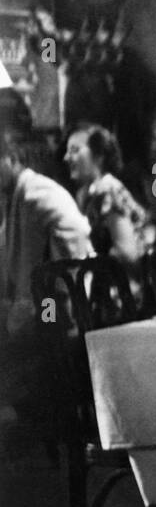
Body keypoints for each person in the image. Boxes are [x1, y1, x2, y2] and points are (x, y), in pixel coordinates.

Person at [0, 122, 92, 415]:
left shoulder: (31, 196)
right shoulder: (20, 194)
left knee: (14, 340)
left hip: (61, 308)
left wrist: (12, 316)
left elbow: (27, 278)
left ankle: (39, 431)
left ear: (11, 160)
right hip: (57, 301)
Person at [64, 124, 149, 271]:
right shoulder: (86, 193)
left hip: (126, 286)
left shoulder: (108, 190)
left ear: (98, 157)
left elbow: (128, 254)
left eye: (75, 150)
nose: (67, 158)